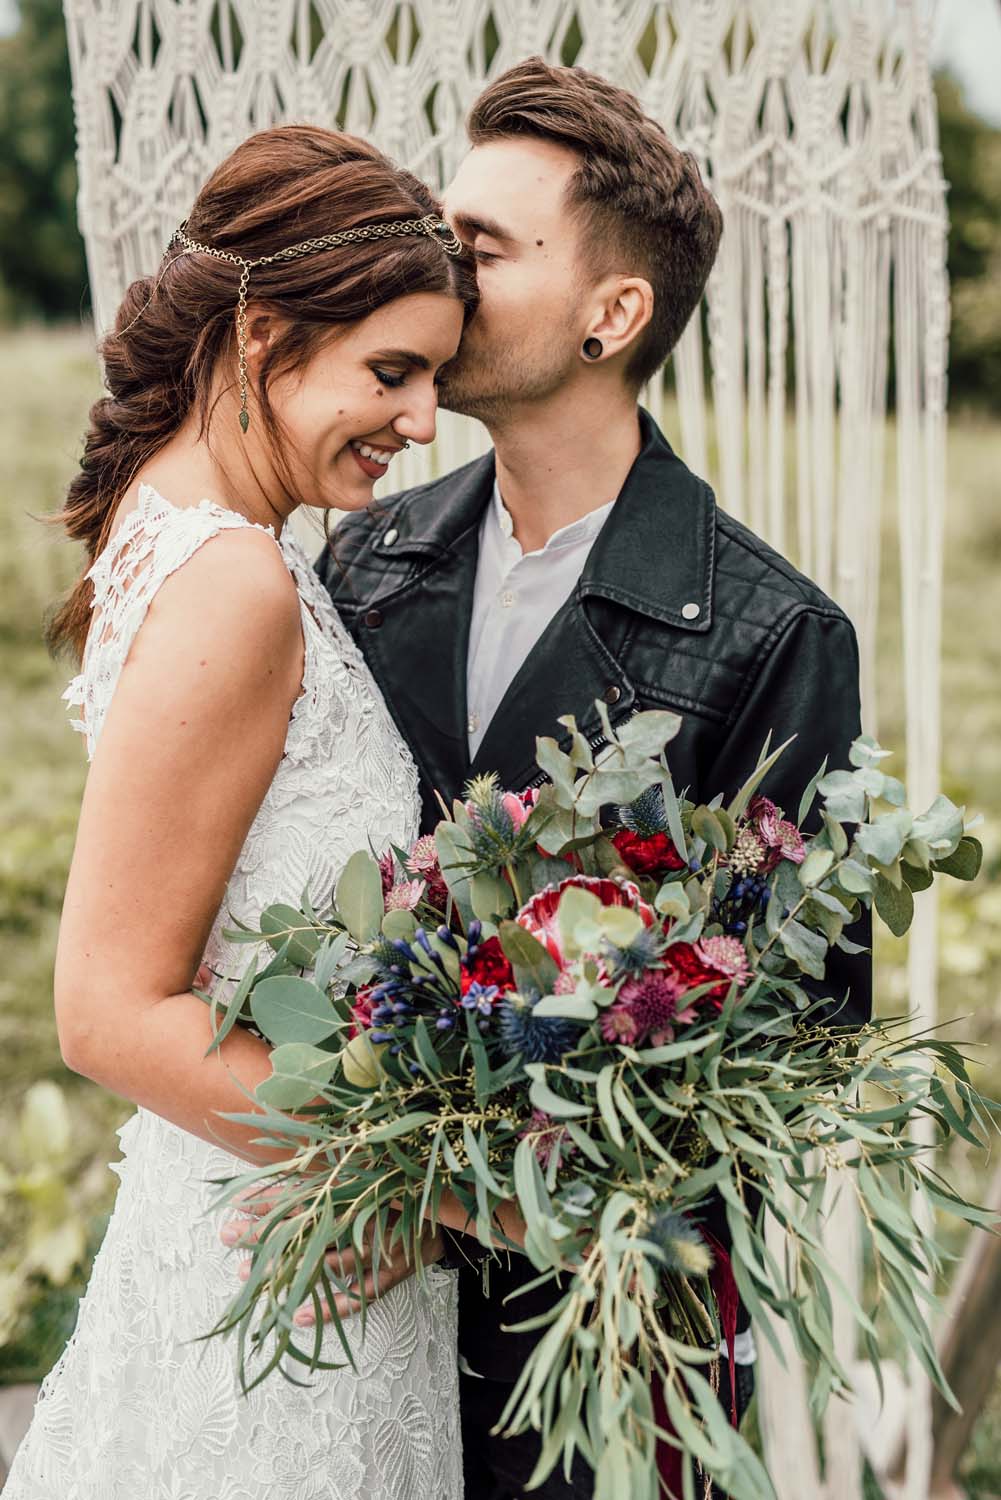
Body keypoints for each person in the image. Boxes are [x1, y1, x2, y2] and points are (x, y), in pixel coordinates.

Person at [309, 55, 872, 1500]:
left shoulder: (774, 633)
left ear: (612, 314)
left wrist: (447, 1205)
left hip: (597, 1347)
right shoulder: (362, 558)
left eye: (482, 247)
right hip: (348, 1322)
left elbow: (789, 1043)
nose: (433, 268)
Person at [3, 124, 481, 1500]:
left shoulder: (185, 527)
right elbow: (104, 1010)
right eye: (390, 371)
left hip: (249, 1215)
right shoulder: (234, 581)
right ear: (264, 335)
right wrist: (440, 1185)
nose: (418, 419)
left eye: (436, 375)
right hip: (283, 1276)